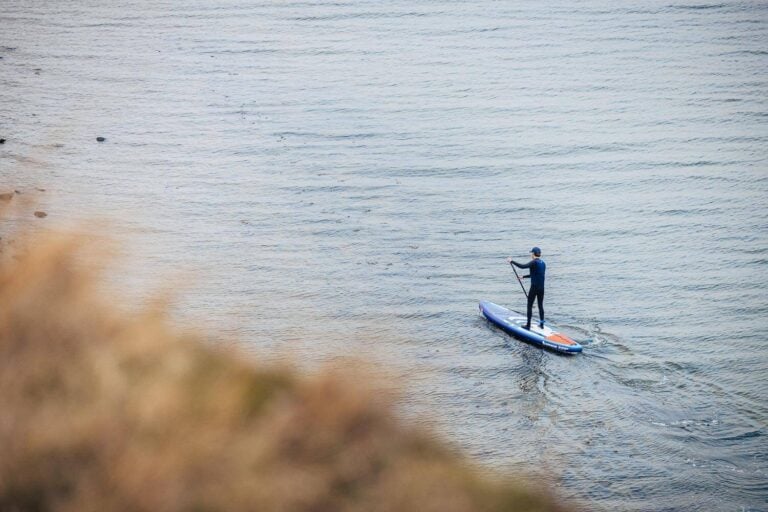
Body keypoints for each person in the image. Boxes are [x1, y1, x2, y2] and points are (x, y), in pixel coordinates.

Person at [507, 247, 546, 330]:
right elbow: (536, 275)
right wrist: (523, 277)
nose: (531, 255)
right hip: (542, 288)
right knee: (540, 305)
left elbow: (522, 266)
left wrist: (512, 261)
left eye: (531, 253)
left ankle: (528, 325)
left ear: (533, 254)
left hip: (534, 287)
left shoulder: (533, 262)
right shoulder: (543, 263)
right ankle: (542, 325)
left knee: (529, 305)